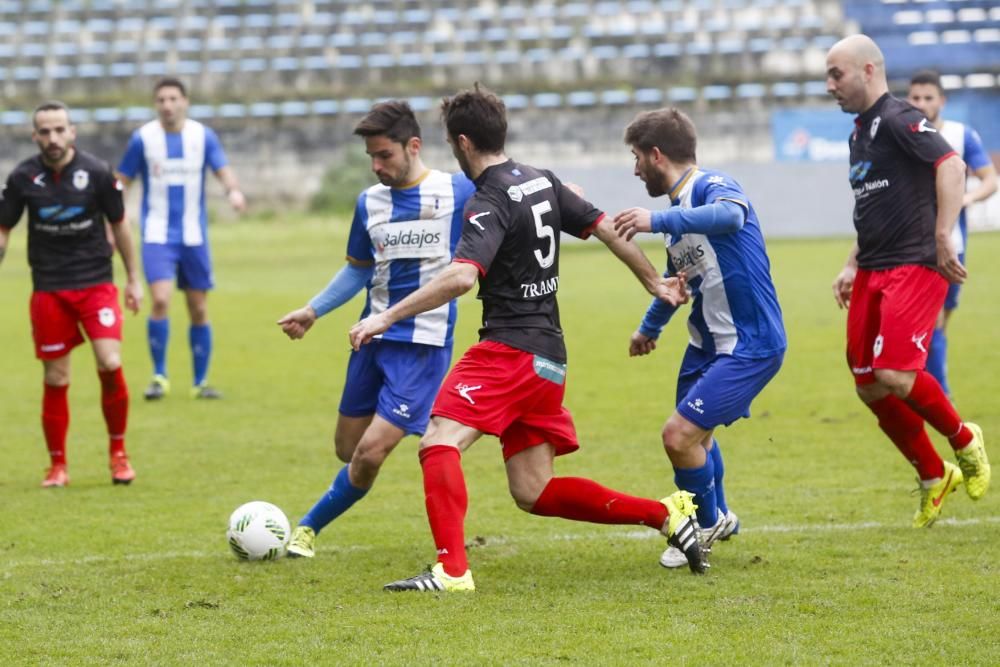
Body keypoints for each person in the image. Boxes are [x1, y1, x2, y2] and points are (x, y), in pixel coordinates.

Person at [350, 84, 706, 593]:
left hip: (508, 352)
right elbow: (606, 228)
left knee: (438, 443)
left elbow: (461, 277)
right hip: (549, 359)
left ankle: (451, 571)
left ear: (464, 142)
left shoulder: (487, 200)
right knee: (533, 490)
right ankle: (666, 515)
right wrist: (653, 281)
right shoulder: (542, 180)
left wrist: (385, 318)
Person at [275, 101, 476, 558]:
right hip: (369, 338)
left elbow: (513, 187)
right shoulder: (370, 202)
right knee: (347, 450)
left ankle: (307, 529)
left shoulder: (458, 190)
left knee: (368, 453)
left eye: (384, 155)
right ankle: (414, 427)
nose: (376, 165)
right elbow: (357, 270)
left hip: (421, 347)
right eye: (371, 156)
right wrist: (312, 311)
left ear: (414, 146)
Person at [825, 35, 989, 527]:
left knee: (895, 373)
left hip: (914, 264)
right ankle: (932, 474)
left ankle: (964, 439)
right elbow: (873, 206)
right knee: (868, 384)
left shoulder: (901, 119)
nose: (830, 85)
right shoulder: (860, 133)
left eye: (838, 74)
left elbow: (952, 164)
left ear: (869, 70)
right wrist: (852, 263)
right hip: (873, 266)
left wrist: (944, 236)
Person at [612, 108, 786, 568]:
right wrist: (648, 328)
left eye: (636, 158)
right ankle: (720, 514)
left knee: (679, 435)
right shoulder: (677, 215)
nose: (634, 169)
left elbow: (730, 217)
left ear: (656, 155)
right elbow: (677, 280)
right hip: (706, 345)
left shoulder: (711, 185)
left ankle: (702, 523)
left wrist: (657, 221)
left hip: (750, 344)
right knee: (697, 436)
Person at [0, 101, 143, 487]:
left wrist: (132, 279)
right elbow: (3, 228)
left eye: (59, 129)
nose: (53, 138)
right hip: (49, 288)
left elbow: (121, 225)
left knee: (110, 362)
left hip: (96, 283)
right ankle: (57, 466)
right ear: (35, 136)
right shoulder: (22, 178)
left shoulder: (97, 173)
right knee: (56, 377)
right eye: (45, 132)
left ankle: (118, 455)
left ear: (72, 132)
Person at [116, 77, 246, 401]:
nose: (168, 105)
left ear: (185, 101)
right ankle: (159, 377)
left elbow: (222, 169)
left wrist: (233, 191)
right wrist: (116, 213)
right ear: (155, 104)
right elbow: (123, 180)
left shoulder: (202, 136)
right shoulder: (143, 139)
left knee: (198, 307)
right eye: (161, 100)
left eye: (173, 98)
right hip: (157, 235)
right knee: (160, 300)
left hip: (194, 236)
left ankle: (200, 382)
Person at [906, 70, 998, 397]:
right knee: (930, 325)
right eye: (915, 98)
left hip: (952, 243)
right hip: (908, 246)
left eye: (928, 97)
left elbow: (989, 178)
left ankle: (928, 394)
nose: (921, 103)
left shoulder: (961, 135)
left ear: (941, 101)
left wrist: (967, 198)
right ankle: (938, 395)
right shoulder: (903, 135)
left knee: (940, 321)